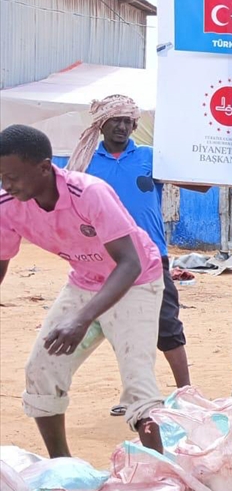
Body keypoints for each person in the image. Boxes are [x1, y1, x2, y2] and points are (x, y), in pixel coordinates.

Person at [0, 125, 165, 457]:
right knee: (42, 368)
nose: (6, 185)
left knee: (138, 384)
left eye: (12, 177)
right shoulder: (8, 205)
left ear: (44, 168)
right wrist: (80, 315)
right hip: (84, 281)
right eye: (1, 177)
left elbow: (129, 263)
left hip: (136, 282)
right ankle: (62, 466)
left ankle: (163, 473)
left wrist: (82, 319)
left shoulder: (89, 193)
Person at [66, 95, 211, 416]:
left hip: (151, 257)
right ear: (101, 124)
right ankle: (134, 395)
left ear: (134, 126)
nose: (122, 127)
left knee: (167, 325)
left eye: (128, 122)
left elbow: (201, 186)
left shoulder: (150, 157)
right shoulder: (86, 163)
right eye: (115, 120)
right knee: (125, 329)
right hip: (106, 261)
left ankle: (186, 394)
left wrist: (215, 159)